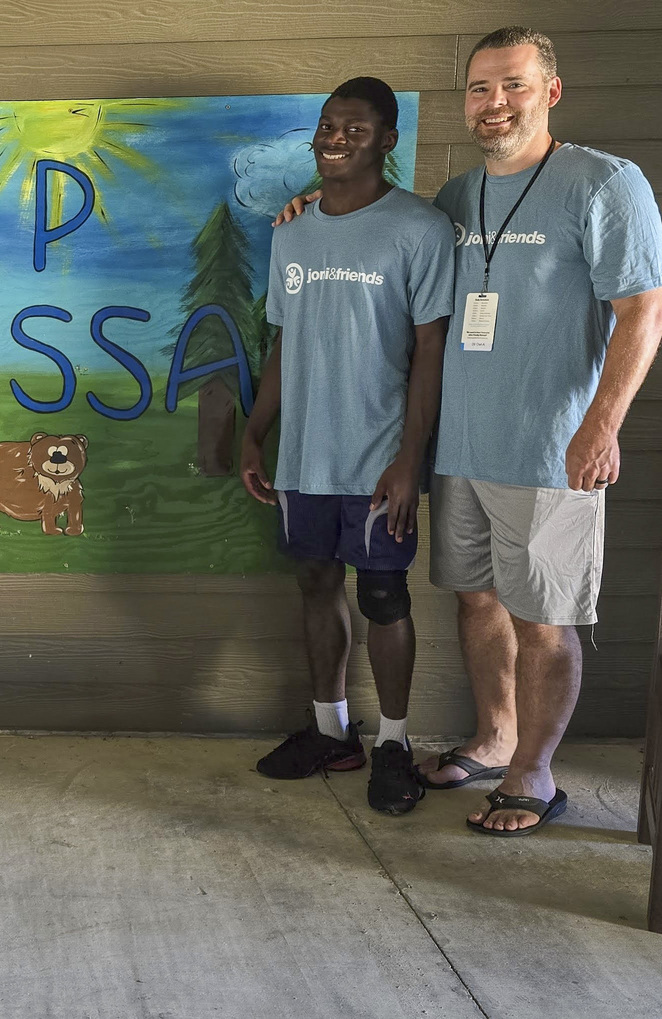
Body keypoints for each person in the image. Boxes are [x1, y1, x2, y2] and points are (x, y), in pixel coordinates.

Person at [277, 27, 662, 835]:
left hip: (550, 446)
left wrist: (602, 424)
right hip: (460, 447)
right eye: (481, 89)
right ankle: (494, 740)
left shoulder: (603, 183)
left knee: (544, 618)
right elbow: (377, 226)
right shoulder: (453, 199)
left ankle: (535, 775)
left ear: (549, 92)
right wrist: (310, 207)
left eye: (513, 86)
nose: (495, 104)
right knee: (477, 602)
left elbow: (643, 310)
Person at [242, 78, 453, 814]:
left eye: (354, 128)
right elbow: (282, 343)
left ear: (387, 141)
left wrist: (408, 458)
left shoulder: (419, 230)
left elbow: (430, 351)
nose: (335, 137)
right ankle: (332, 729)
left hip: (378, 459)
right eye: (328, 125)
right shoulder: (291, 232)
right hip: (305, 454)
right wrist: (254, 432)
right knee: (313, 581)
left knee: (383, 591)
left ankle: (393, 742)